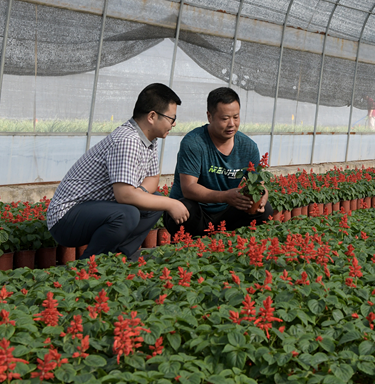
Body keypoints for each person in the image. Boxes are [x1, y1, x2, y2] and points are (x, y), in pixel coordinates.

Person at [46, 83, 190, 260]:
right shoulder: (127, 140)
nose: (173, 124)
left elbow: (153, 178)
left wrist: (142, 193)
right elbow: (125, 196)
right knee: (130, 212)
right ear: (152, 116)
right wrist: (171, 204)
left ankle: (119, 258)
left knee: (154, 203)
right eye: (171, 118)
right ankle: (88, 267)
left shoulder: (148, 140)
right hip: (66, 218)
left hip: (93, 210)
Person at [165, 87, 272, 238]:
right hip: (198, 212)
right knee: (184, 209)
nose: (232, 124)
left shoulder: (248, 147)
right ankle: (188, 250)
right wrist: (225, 196)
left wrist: (263, 195)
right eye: (225, 118)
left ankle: (237, 247)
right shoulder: (194, 143)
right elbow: (188, 188)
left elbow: (257, 184)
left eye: (236, 117)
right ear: (210, 116)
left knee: (265, 210)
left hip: (227, 213)